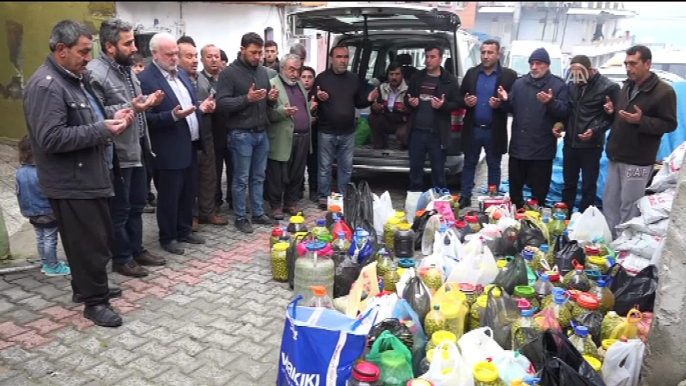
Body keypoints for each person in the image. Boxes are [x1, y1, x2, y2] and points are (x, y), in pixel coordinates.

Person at [23, 19, 132, 327]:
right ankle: (94, 302)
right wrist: (100, 130)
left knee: (95, 240)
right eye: (84, 52)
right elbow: (50, 138)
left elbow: (84, 119)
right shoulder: (47, 85)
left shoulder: (71, 79)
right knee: (88, 243)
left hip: (87, 176)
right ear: (61, 50)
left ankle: (89, 287)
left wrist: (111, 116)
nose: (88, 58)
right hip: (71, 181)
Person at [87, 18, 167, 278]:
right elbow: (94, 114)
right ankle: (121, 258)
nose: (134, 48)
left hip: (139, 148)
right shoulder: (95, 73)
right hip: (117, 155)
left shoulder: (127, 68)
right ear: (110, 46)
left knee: (137, 204)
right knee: (120, 210)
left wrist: (147, 101)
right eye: (128, 43)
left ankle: (137, 249)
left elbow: (132, 102)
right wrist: (135, 107)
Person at [138, 32, 215, 255]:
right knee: (170, 196)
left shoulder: (180, 74)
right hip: (167, 149)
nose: (174, 58)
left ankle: (184, 229)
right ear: (155, 54)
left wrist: (202, 107)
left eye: (175, 54)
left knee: (188, 192)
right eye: (169, 54)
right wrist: (172, 116)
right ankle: (168, 236)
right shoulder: (146, 80)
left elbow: (188, 105)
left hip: (189, 144)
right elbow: (146, 119)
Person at [603, 45, 677, 237]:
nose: (628, 68)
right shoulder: (627, 86)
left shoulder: (664, 92)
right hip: (616, 155)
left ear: (647, 63)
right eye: (626, 64)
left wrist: (641, 121)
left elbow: (670, 124)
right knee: (610, 202)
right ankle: (611, 243)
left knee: (629, 205)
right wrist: (613, 112)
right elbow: (623, 117)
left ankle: (625, 247)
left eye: (633, 63)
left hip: (638, 160)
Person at [216, 32, 278, 233]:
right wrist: (247, 99)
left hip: (261, 132)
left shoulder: (262, 71)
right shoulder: (229, 73)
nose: (258, 57)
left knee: (259, 176)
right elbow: (222, 103)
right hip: (241, 134)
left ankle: (258, 213)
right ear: (242, 50)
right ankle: (241, 216)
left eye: (260, 53)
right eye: (254, 52)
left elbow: (266, 102)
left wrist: (271, 98)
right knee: (241, 178)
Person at [498, 47, 569, 208]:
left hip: (541, 150)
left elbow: (565, 112)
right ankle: (515, 218)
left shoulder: (558, 86)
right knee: (515, 191)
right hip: (518, 147)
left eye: (538, 63)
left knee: (539, 194)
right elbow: (512, 108)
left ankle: (535, 220)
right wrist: (504, 101)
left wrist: (551, 102)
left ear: (548, 65)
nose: (534, 67)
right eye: (532, 63)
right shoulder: (519, 83)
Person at [313, 45, 378, 209]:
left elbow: (358, 102)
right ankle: (323, 197)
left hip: (348, 132)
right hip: (326, 131)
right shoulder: (321, 78)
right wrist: (319, 98)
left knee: (346, 168)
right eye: (339, 57)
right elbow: (313, 100)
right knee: (324, 168)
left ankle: (343, 197)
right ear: (331, 59)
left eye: (346, 57)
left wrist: (369, 99)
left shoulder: (353, 79)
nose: (343, 60)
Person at [555, 55, 619, 214]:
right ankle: (565, 217)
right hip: (570, 142)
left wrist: (595, 130)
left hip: (592, 145)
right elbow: (568, 111)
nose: (577, 78)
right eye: (574, 74)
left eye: (579, 74)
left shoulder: (609, 87)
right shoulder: (571, 86)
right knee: (568, 183)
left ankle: (585, 219)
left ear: (590, 70)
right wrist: (560, 125)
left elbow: (614, 118)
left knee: (589, 186)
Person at [457, 39, 518, 208]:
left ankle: (492, 198)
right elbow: (458, 98)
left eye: (490, 53)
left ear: (498, 54)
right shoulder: (472, 73)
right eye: (483, 52)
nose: (485, 56)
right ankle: (465, 195)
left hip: (494, 130)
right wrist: (465, 101)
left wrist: (502, 104)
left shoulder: (509, 76)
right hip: (474, 128)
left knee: (494, 165)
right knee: (469, 163)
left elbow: (514, 104)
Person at [178, 41, 228, 228]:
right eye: (188, 57)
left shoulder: (202, 80)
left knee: (209, 177)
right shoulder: (178, 81)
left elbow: (215, 98)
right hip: (187, 137)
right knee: (191, 180)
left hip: (206, 134)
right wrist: (202, 106)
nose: (193, 61)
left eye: (194, 57)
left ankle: (208, 212)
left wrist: (213, 105)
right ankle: (192, 215)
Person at [404, 43, 460, 192]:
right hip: (417, 132)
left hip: (437, 134)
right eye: (427, 57)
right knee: (415, 172)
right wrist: (410, 102)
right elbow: (406, 98)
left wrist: (444, 105)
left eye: (432, 57)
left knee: (438, 173)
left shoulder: (450, 80)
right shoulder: (417, 77)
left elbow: (458, 103)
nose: (428, 60)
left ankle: (439, 206)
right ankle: (415, 202)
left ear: (441, 59)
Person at [265, 54, 316, 219]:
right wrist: (282, 112)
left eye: (297, 70)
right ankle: (275, 206)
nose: (295, 73)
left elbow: (301, 107)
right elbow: (267, 114)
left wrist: (310, 108)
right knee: (277, 174)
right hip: (282, 138)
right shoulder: (272, 85)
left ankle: (291, 203)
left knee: (297, 173)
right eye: (291, 69)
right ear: (282, 69)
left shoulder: (299, 85)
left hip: (302, 136)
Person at [15, 135, 70, 276]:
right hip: (46, 211)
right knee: (50, 238)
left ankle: (46, 262)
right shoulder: (42, 172)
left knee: (40, 237)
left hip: (30, 211)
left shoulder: (20, 172)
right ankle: (53, 266)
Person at [369, 62, 410, 150]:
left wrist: (406, 109)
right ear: (388, 75)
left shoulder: (409, 88)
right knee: (373, 117)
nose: (394, 77)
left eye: (397, 74)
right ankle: (378, 147)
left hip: (403, 122)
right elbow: (374, 106)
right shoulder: (382, 87)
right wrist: (375, 108)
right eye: (391, 74)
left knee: (403, 133)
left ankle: (405, 149)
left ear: (402, 75)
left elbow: (416, 110)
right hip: (387, 120)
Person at [301, 65, 319, 201]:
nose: (306, 80)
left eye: (310, 77)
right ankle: (298, 189)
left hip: (314, 137)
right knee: (298, 165)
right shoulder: (295, 94)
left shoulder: (318, 95)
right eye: (303, 77)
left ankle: (313, 189)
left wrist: (315, 118)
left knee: (313, 164)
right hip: (299, 136)